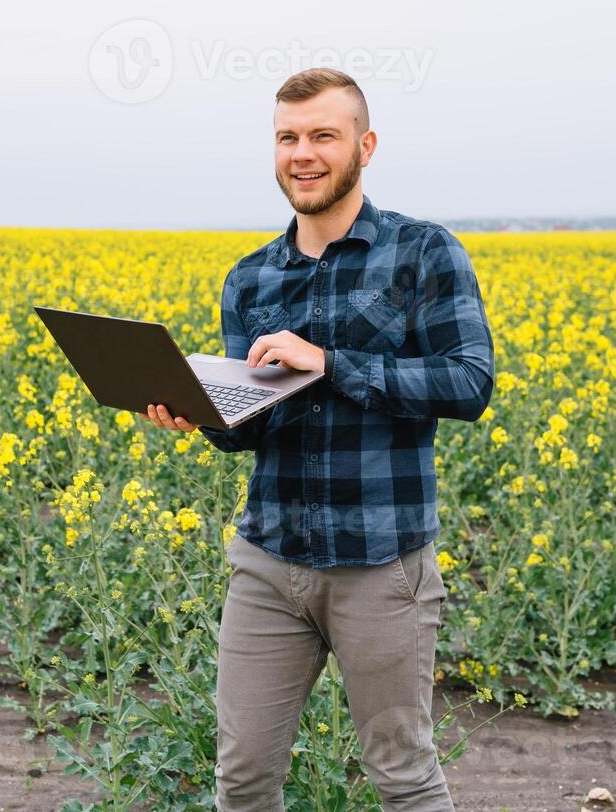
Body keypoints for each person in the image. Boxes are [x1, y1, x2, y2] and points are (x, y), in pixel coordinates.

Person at [143, 67, 494, 811]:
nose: (302, 153)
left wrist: (332, 364)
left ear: (364, 146)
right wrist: (200, 413)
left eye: (322, 136)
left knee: (403, 776)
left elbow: (469, 384)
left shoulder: (423, 253)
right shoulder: (252, 278)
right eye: (287, 137)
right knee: (240, 780)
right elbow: (253, 428)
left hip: (381, 566)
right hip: (269, 563)